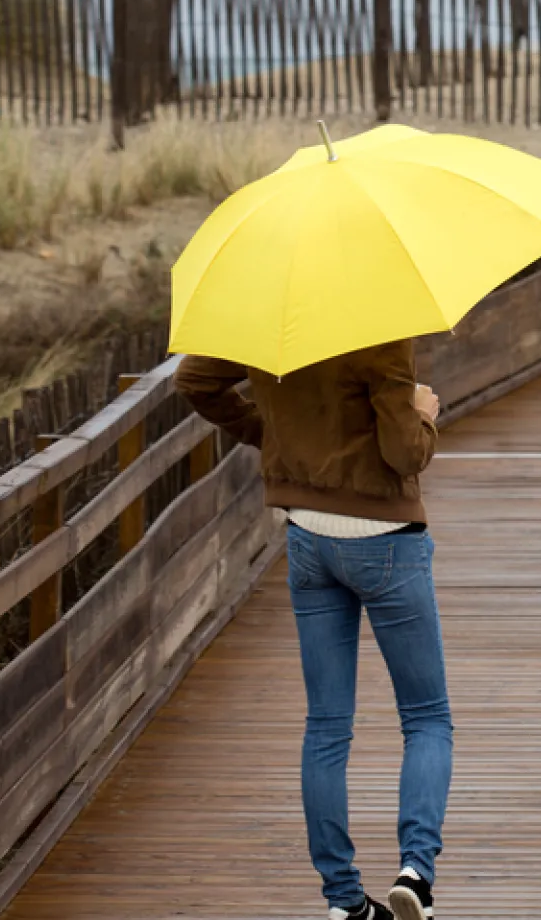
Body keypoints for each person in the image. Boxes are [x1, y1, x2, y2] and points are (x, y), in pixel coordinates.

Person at [177, 341, 448, 920]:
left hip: (308, 539)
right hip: (386, 542)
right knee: (426, 718)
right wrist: (423, 413)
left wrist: (268, 433)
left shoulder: (274, 314)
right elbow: (405, 454)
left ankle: (343, 901)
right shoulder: (383, 329)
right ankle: (415, 872)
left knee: (326, 726)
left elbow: (194, 379)